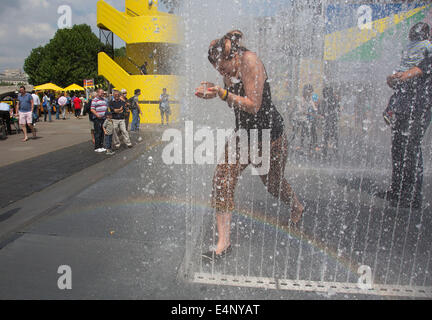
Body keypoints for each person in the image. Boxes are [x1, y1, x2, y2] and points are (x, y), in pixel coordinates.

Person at [195, 30, 304, 261]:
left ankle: (296, 205)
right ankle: (223, 243)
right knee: (222, 179)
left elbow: (254, 105)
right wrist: (214, 94)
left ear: (233, 57)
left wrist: (223, 94)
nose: (222, 72)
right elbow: (234, 105)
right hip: (243, 136)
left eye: (223, 68)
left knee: (273, 184)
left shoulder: (250, 61)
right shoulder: (227, 69)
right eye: (218, 70)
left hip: (269, 136)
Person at [379, 41, 432, 209]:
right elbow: (396, 82)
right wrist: (391, 78)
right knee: (398, 148)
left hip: (420, 109)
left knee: (411, 149)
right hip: (403, 108)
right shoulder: (409, 59)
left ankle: (413, 197)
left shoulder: (428, 57)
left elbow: (413, 73)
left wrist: (400, 74)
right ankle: (397, 190)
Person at [383, 22, 432, 126]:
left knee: (398, 94)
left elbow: (403, 56)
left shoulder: (408, 45)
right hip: (412, 75)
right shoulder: (427, 44)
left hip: (401, 71)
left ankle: (389, 111)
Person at [319, 86, 340, 159]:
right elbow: (338, 109)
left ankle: (324, 153)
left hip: (327, 121)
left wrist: (323, 115)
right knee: (334, 137)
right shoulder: (334, 100)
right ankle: (335, 153)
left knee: (326, 137)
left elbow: (322, 111)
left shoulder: (324, 100)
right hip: (333, 121)